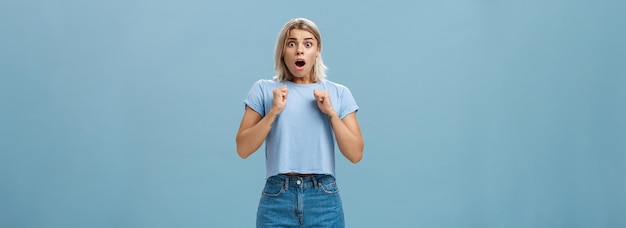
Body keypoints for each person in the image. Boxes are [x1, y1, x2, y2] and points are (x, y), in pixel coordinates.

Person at [235, 18, 364, 227]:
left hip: (323, 198)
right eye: (291, 43)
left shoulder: (338, 93)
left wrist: (330, 113)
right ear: (283, 51)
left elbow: (355, 154)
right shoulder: (264, 90)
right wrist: (274, 111)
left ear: (317, 50)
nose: (299, 51)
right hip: (277, 197)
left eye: (308, 43)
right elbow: (242, 148)